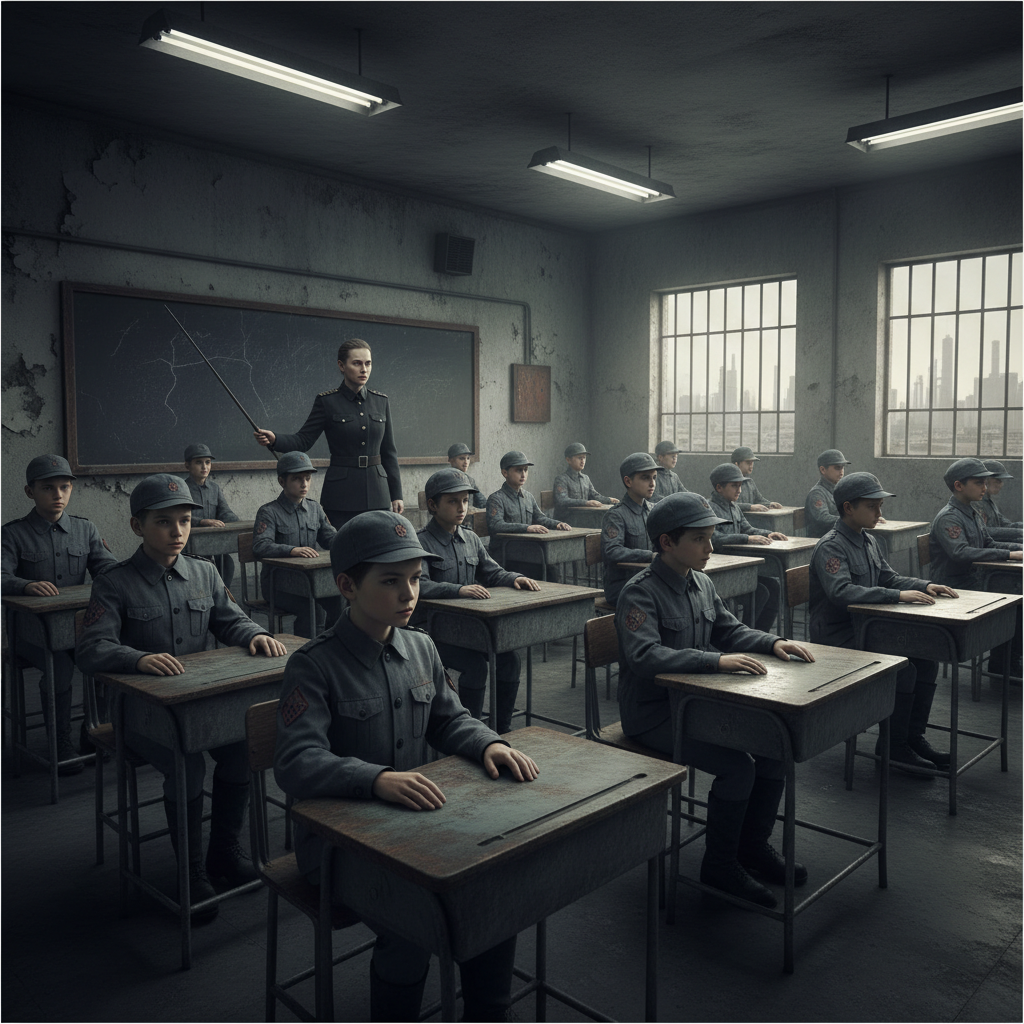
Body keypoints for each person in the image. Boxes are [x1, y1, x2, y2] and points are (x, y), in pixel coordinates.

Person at [273, 510, 539, 1022]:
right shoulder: (314, 664)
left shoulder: (421, 647)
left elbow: (449, 719)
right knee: (414, 922)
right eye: (391, 581)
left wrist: (487, 743)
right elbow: (296, 761)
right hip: (340, 842)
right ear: (347, 585)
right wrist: (373, 779)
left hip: (416, 826)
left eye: (416, 579)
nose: (409, 594)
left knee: (494, 891)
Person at [76, 474, 287, 921]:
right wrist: (137, 659)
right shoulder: (115, 582)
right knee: (186, 763)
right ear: (138, 527)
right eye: (163, 522)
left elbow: (232, 620)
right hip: (143, 713)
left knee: (239, 749)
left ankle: (223, 853)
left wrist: (256, 635)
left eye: (186, 521)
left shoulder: (205, 572)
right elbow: (91, 648)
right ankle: (191, 870)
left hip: (200, 706)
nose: (177, 531)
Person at [615, 491, 814, 908]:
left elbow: (731, 629)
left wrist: (772, 641)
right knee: (738, 768)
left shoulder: (700, 581)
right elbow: (645, 656)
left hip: (697, 706)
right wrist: (716, 661)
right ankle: (720, 865)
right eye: (701, 539)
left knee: (774, 751)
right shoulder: (640, 593)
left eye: (711, 537)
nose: (711, 547)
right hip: (653, 715)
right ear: (667, 542)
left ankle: (752, 847)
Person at [809, 472, 958, 772]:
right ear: (849, 508)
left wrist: (924, 584)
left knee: (928, 659)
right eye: (873, 507)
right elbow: (842, 592)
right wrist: (897, 596)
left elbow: (889, 577)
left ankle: (910, 737)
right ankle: (892, 749)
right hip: (839, 636)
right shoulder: (832, 546)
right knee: (905, 670)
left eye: (880, 506)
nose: (880, 513)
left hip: (868, 629)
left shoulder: (870, 541)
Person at [2, 454, 118, 771]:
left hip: (77, 629)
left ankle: (92, 734)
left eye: (64, 487)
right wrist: (24, 585)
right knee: (62, 669)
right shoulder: (12, 534)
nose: (57, 495)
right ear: (30, 492)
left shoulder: (85, 529)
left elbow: (107, 571)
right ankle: (60, 742)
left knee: (108, 656)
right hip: (32, 634)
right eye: (48, 488)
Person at [416, 468, 540, 733]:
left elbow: (492, 571)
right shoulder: (421, 543)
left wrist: (514, 578)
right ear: (432, 505)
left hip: (470, 629)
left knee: (509, 659)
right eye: (452, 501)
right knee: (474, 666)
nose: (462, 507)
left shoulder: (470, 538)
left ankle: (501, 728)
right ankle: (470, 732)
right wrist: (458, 590)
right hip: (435, 633)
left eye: (464, 500)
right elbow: (420, 585)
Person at [253, 338, 403, 528]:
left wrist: (396, 494)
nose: (364, 369)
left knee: (378, 552)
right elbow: (303, 440)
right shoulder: (327, 402)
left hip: (378, 493)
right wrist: (275, 440)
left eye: (368, 363)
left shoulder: (381, 401)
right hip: (341, 494)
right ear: (341, 365)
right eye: (356, 363)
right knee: (343, 551)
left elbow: (389, 452)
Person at [929, 458, 1022, 675]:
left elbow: (989, 542)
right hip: (955, 586)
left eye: (985, 482)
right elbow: (960, 552)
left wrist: (1016, 548)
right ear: (959, 486)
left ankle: (1007, 660)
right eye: (979, 482)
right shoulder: (949, 518)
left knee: (1017, 595)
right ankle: (1004, 664)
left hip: (975, 580)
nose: (985, 487)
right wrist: (1009, 554)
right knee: (1016, 605)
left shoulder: (971, 512)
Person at [252, 451, 340, 639]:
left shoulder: (315, 508)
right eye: (297, 479)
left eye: (308, 478)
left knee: (342, 598)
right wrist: (292, 550)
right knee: (312, 607)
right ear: (282, 482)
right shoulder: (269, 512)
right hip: (279, 586)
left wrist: (349, 540)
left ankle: (333, 646)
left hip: (310, 581)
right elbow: (260, 546)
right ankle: (307, 653)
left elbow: (330, 538)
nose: (304, 484)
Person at [708, 463, 784, 632]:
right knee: (760, 592)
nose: (739, 490)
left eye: (740, 485)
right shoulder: (710, 508)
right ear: (719, 487)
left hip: (738, 568)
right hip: (720, 572)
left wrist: (768, 533)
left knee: (773, 586)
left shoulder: (734, 507)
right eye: (734, 486)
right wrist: (747, 539)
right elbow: (715, 538)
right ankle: (746, 634)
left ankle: (760, 633)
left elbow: (748, 529)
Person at [485, 450, 570, 569]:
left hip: (526, 553)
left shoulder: (528, 497)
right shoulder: (496, 499)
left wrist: (557, 524)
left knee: (551, 568)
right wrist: (527, 528)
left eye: (525, 469)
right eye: (519, 470)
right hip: (505, 556)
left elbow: (540, 518)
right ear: (505, 473)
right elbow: (495, 525)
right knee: (545, 570)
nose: (523, 474)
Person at [601, 452, 658, 606]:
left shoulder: (654, 511)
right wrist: (649, 556)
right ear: (628, 481)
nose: (652, 483)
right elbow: (612, 551)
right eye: (645, 478)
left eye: (654, 477)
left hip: (648, 581)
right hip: (623, 586)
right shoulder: (616, 515)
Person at [183, 442, 240, 588]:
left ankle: (221, 597)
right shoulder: (181, 489)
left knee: (227, 563)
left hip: (211, 544)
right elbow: (179, 517)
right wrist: (202, 522)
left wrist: (237, 522)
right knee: (198, 569)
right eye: (199, 462)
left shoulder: (214, 488)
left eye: (208, 462)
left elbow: (224, 511)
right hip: (188, 546)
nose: (205, 467)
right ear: (187, 466)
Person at [552, 442, 618, 517]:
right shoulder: (561, 479)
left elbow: (594, 496)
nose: (583, 461)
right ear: (568, 460)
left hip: (583, 517)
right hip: (566, 520)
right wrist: (586, 503)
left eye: (584, 457)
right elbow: (562, 500)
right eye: (579, 458)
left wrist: (609, 500)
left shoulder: (585, 478)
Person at [805, 449, 854, 538]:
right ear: (823, 470)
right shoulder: (817, 493)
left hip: (840, 536)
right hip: (824, 541)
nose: (841, 472)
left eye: (842, 467)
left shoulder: (842, 491)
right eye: (837, 468)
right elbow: (823, 518)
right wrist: (851, 520)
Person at [974, 460, 1022, 542]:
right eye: (997, 481)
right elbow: (983, 531)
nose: (1001, 484)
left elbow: (1005, 524)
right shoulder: (976, 503)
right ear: (985, 481)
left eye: (1001, 481)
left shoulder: (989, 502)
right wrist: (1019, 532)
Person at [731, 446, 781, 512]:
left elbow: (758, 499)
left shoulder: (749, 482)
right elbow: (729, 505)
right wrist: (750, 507)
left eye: (752, 462)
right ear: (736, 464)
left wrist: (769, 504)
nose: (751, 465)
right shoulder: (729, 482)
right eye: (748, 462)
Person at [446, 442, 487, 509]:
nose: (466, 462)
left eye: (468, 458)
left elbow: (482, 502)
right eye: (462, 458)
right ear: (451, 460)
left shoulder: (469, 480)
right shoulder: (445, 478)